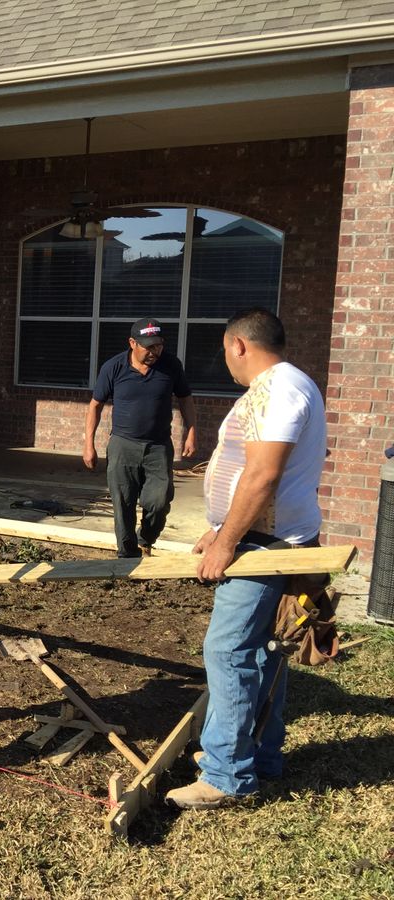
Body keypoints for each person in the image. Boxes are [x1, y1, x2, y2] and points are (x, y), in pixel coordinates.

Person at [165, 308, 326, 810]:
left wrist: (227, 542)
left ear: (237, 344)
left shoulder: (277, 391)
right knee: (263, 652)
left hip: (264, 544)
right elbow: (251, 473)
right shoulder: (288, 385)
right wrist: (219, 526)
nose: (226, 361)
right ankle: (260, 756)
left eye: (225, 351)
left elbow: (262, 476)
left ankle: (226, 776)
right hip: (267, 536)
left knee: (228, 650)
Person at [84, 317, 196, 557]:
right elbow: (95, 405)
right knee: (123, 503)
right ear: (132, 343)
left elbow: (185, 398)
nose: (155, 351)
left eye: (159, 345)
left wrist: (191, 431)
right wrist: (88, 445)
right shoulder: (114, 367)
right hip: (123, 446)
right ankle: (127, 555)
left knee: (159, 500)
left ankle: (145, 538)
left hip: (158, 447)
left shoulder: (171, 365)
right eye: (149, 347)